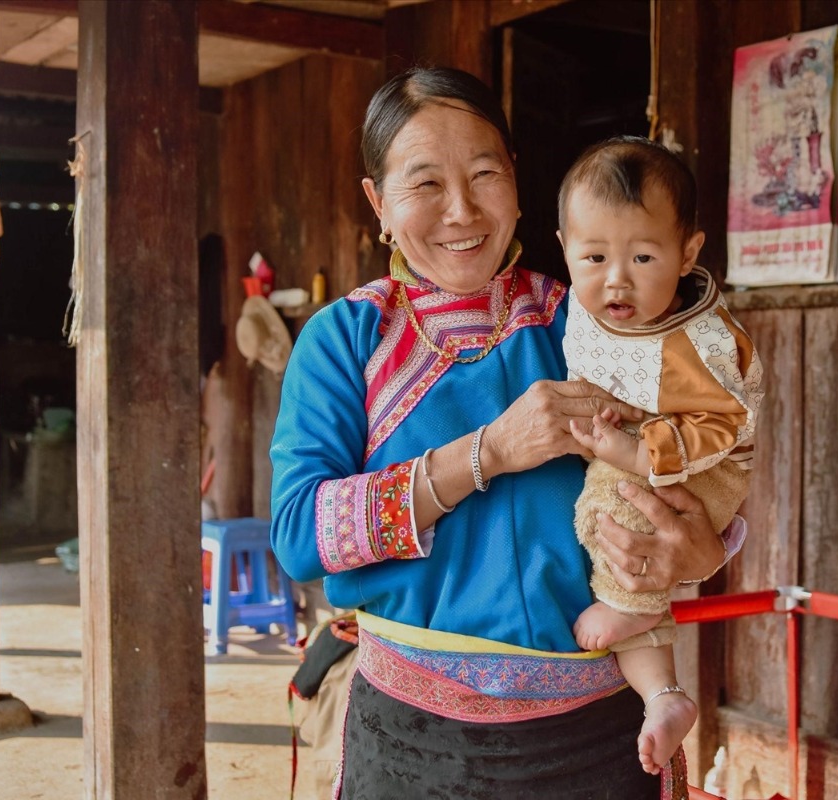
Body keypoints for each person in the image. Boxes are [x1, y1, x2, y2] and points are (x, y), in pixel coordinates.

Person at [269, 66, 747, 800]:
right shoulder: (348, 340)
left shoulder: (593, 324)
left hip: (597, 740)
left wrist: (703, 547)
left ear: (517, 183)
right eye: (425, 183)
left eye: (484, 174)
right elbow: (303, 536)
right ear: (378, 203)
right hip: (410, 742)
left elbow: (705, 470)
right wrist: (487, 453)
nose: (461, 210)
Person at [557, 136, 763, 775]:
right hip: (640, 447)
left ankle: (635, 632)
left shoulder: (700, 342)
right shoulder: (582, 305)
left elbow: (724, 422)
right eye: (593, 256)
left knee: (625, 524)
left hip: (706, 463)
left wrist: (633, 446)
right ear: (563, 246)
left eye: (644, 256)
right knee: (614, 530)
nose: (616, 278)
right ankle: (662, 695)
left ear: (688, 253)